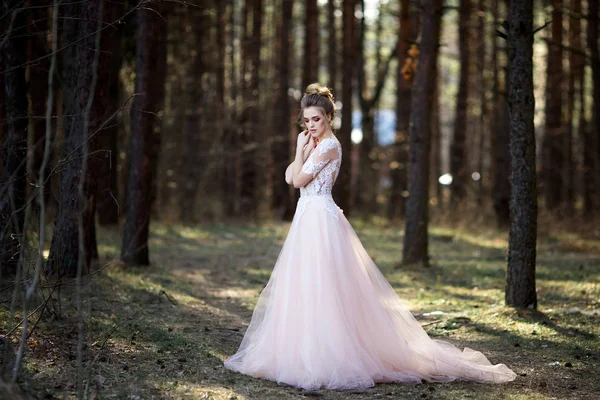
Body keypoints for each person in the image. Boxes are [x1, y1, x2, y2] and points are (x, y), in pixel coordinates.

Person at [223, 83, 517, 390]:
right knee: (305, 283)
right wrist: (302, 151)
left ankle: (331, 354)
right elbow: (289, 176)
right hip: (308, 219)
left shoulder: (328, 147)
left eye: (317, 120)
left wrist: (299, 148)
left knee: (324, 285)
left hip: (320, 218)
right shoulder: (315, 146)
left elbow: (296, 179)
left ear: (329, 118)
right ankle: (301, 349)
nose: (311, 125)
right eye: (307, 120)